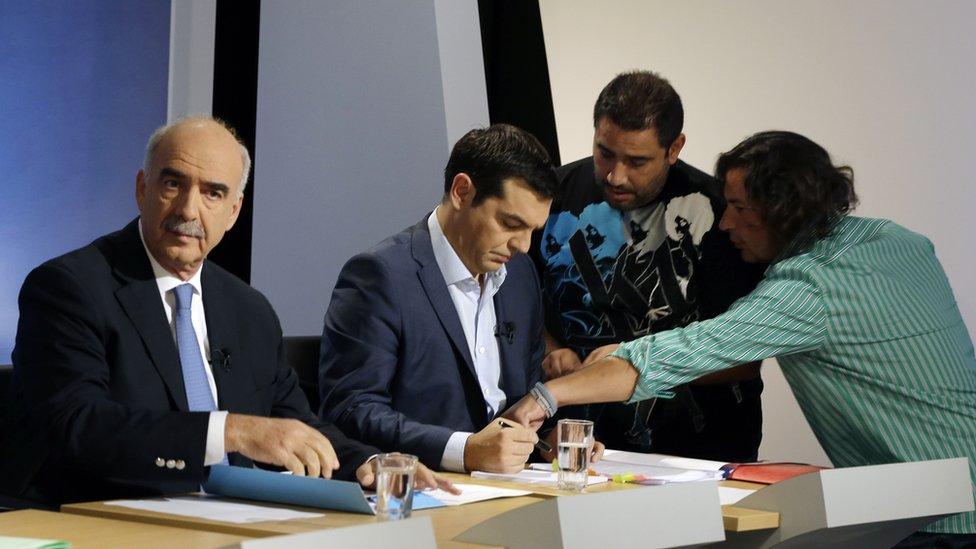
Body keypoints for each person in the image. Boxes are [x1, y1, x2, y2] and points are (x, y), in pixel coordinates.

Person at [506, 130, 976, 546]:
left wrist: (546, 398)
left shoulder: (808, 287)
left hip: (940, 519)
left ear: (781, 210)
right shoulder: (896, 240)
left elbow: (686, 353)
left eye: (737, 208)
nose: (726, 224)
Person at [0, 117, 452, 506]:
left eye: (213, 193)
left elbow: (296, 426)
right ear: (142, 188)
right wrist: (229, 433)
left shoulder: (249, 310)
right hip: (93, 516)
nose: (188, 209)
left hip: (220, 521)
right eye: (173, 183)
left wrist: (372, 464)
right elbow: (78, 426)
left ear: (233, 211)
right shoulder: (69, 288)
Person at [320, 124, 580, 473]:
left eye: (533, 230)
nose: (523, 246)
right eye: (510, 223)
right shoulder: (379, 276)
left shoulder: (521, 278)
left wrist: (549, 440)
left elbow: (521, 399)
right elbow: (352, 409)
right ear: (461, 192)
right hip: (422, 492)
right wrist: (465, 450)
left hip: (512, 490)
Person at [532, 71, 765, 461]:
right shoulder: (551, 196)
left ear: (674, 148)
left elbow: (744, 357)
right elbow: (507, 302)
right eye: (605, 151)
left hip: (702, 449)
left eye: (637, 161)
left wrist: (632, 360)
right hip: (578, 446)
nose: (615, 175)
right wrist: (548, 348)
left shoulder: (721, 216)